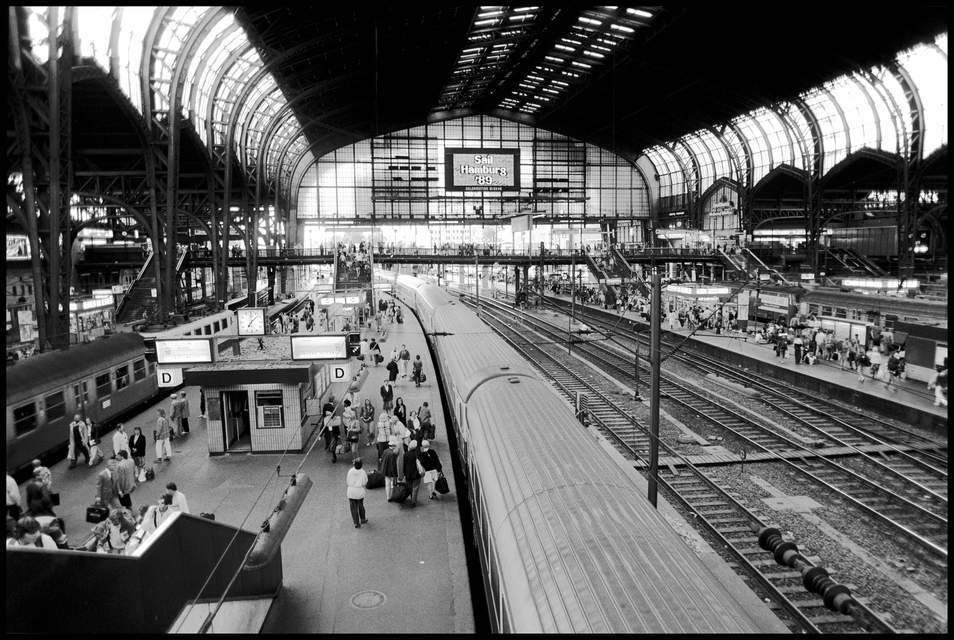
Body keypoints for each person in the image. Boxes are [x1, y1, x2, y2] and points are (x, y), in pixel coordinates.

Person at [346, 458, 369, 529]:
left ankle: (356, 522)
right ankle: (363, 518)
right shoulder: (363, 472)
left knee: (353, 507)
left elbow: (348, 480)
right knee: (360, 505)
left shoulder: (350, 471)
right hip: (359, 491)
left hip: (351, 491)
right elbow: (365, 482)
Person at [400, 440, 423, 508]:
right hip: (416, 474)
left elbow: (404, 465)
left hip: (408, 474)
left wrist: (404, 473)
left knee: (410, 487)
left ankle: (412, 497)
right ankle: (413, 501)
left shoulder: (406, 454)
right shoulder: (418, 454)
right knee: (415, 487)